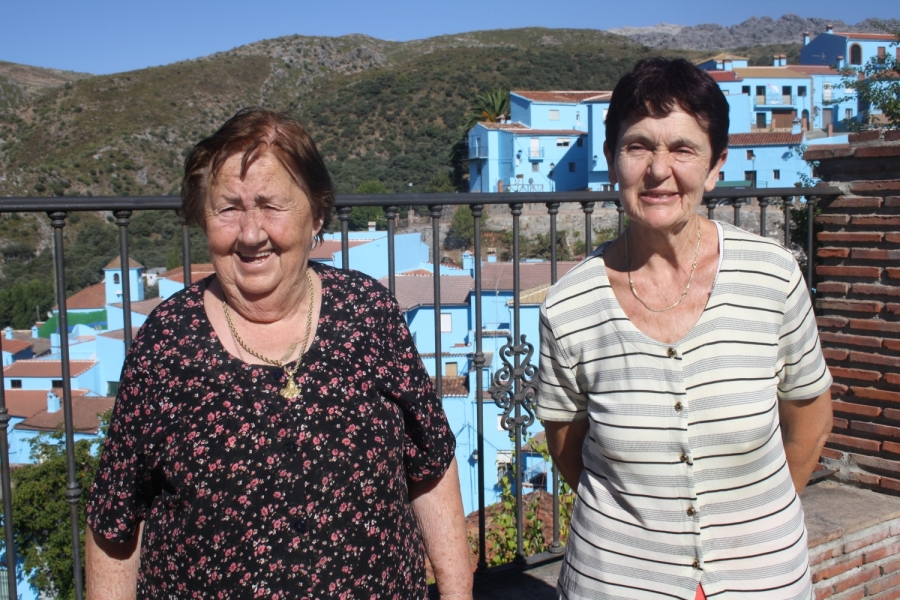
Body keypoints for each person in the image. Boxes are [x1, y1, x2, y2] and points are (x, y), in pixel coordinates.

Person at [85, 107, 473, 600]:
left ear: (317, 213)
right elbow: (115, 519)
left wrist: (458, 593)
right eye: (228, 208)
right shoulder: (167, 343)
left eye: (271, 206)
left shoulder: (367, 313)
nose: (250, 233)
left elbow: (431, 464)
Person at [537, 58, 832, 600]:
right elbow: (566, 444)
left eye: (683, 149)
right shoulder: (569, 305)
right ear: (611, 160)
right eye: (638, 146)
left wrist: (756, 524)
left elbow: (809, 418)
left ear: (715, 165)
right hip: (613, 584)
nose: (657, 170)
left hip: (764, 582)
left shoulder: (773, 277)